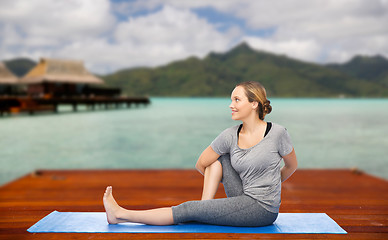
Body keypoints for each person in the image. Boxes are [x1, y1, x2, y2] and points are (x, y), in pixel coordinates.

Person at [103, 81, 298, 227]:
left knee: (188, 209)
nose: (231, 104)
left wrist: (271, 184)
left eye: (237, 100)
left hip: (262, 209)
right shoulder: (229, 135)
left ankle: (120, 215)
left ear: (254, 104)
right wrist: (211, 197)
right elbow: (201, 164)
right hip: (242, 195)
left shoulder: (278, 133)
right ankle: (204, 207)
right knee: (219, 158)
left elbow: (291, 166)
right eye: (231, 100)